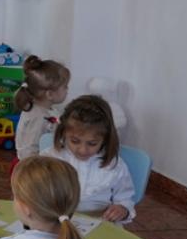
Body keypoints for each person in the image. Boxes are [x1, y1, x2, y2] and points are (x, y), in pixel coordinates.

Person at [43, 95, 137, 223]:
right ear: (63, 133)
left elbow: (125, 199)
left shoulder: (115, 165)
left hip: (100, 222)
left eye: (92, 143)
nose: (83, 150)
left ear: (105, 139)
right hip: (56, 221)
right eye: (75, 141)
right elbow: (35, 190)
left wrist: (122, 209)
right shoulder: (50, 158)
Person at [12, 56, 71, 162]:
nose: (67, 89)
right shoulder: (39, 118)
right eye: (65, 86)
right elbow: (28, 150)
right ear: (50, 94)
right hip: (31, 166)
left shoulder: (43, 110)